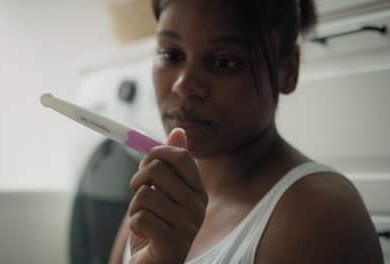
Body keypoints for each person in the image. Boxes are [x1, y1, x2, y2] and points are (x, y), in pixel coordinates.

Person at [109, 0, 384, 263]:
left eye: (224, 62)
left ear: (288, 70)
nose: (184, 84)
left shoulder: (323, 217)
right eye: (171, 55)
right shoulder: (161, 189)